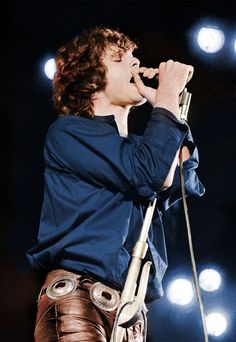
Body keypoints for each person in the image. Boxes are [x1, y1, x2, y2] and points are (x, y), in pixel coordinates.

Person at [27, 26, 205, 342]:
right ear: (92, 79)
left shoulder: (140, 149)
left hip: (128, 315)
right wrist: (164, 99)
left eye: (134, 56)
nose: (136, 65)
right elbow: (146, 172)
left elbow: (179, 178)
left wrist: (171, 106)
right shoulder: (69, 133)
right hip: (78, 302)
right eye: (121, 58)